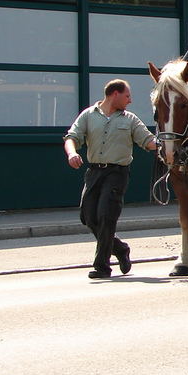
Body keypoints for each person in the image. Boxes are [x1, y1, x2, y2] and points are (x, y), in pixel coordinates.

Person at [64, 80, 157, 279]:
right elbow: (72, 137)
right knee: (88, 217)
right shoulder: (89, 115)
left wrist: (167, 145)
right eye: (127, 96)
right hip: (94, 172)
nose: (130, 101)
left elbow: (148, 141)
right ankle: (121, 249)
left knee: (106, 216)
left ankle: (102, 266)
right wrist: (72, 153)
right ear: (115, 94)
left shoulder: (130, 119)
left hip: (117, 173)